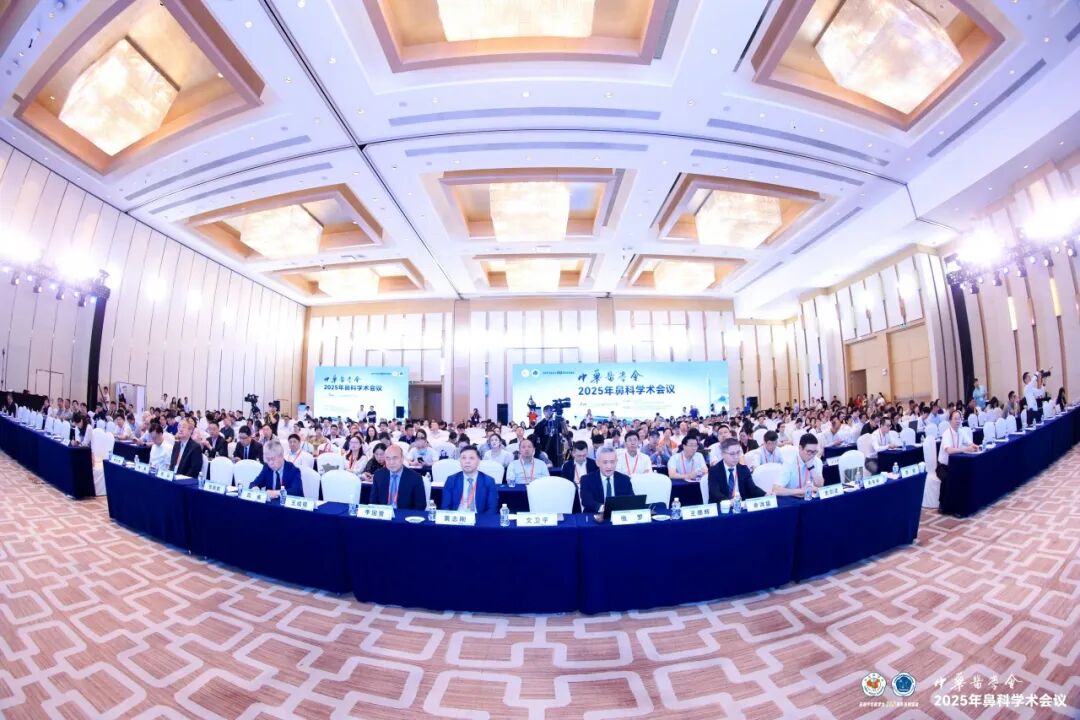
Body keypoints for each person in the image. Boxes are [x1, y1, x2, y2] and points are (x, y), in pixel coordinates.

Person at [442, 445, 499, 514]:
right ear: (460, 461)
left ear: (478, 461)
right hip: (457, 517)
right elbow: (445, 507)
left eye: (471, 458)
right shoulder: (451, 480)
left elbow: (492, 509)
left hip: (479, 518)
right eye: (463, 458)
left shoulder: (488, 481)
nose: (467, 461)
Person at [370, 444, 426, 510]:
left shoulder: (415, 478)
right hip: (384, 514)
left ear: (402, 458)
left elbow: (420, 506)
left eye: (395, 458)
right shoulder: (378, 475)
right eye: (388, 458)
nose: (391, 462)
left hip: (405, 515)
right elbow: (373, 502)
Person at [580, 446, 633, 514]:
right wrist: (604, 508)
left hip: (619, 516)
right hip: (595, 516)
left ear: (616, 462)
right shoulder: (586, 480)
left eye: (612, 462)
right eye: (605, 462)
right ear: (597, 463)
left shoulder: (625, 480)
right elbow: (587, 501)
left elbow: (631, 500)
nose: (609, 466)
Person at [937, 409, 979, 483]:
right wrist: (965, 449)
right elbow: (949, 450)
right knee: (950, 480)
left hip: (956, 463)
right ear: (950, 421)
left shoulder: (961, 431)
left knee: (968, 474)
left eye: (959, 418)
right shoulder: (946, 434)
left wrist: (975, 446)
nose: (958, 421)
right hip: (944, 466)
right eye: (955, 419)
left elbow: (970, 443)